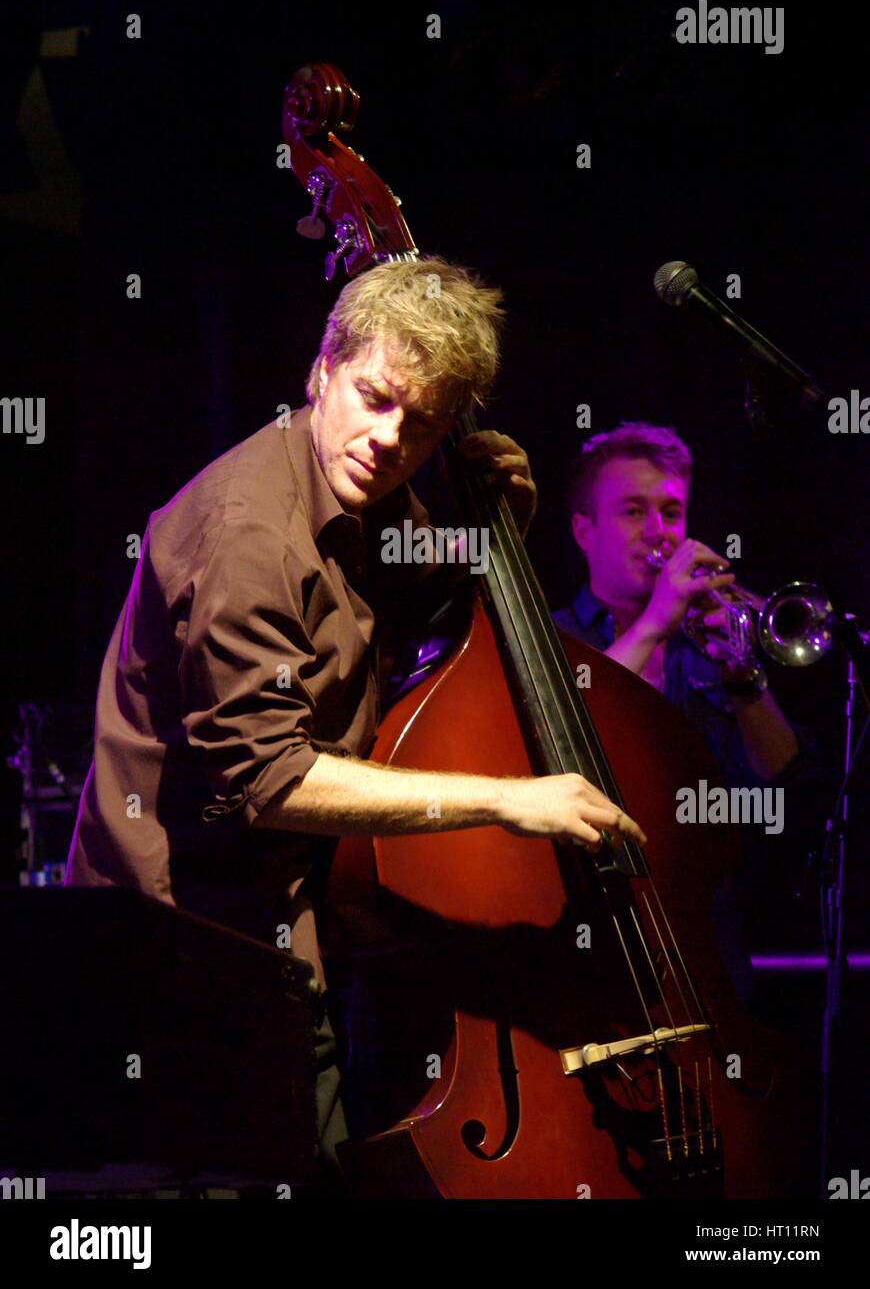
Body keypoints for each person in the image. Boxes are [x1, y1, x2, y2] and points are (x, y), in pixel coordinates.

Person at [65, 258, 643, 1197]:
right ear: (321, 370)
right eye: (374, 398)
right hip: (179, 954)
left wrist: (493, 540)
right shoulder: (249, 531)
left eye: (421, 424)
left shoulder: (367, 498)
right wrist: (507, 801)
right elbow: (271, 780)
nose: (387, 440)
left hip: (283, 937)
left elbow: (409, 624)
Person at [552, 422, 812, 1002]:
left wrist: (743, 675)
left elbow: (782, 780)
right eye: (633, 511)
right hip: (594, 934)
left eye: (672, 511)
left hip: (712, 938)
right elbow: (568, 725)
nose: (659, 533)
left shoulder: (705, 641)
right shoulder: (552, 636)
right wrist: (654, 623)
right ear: (584, 531)